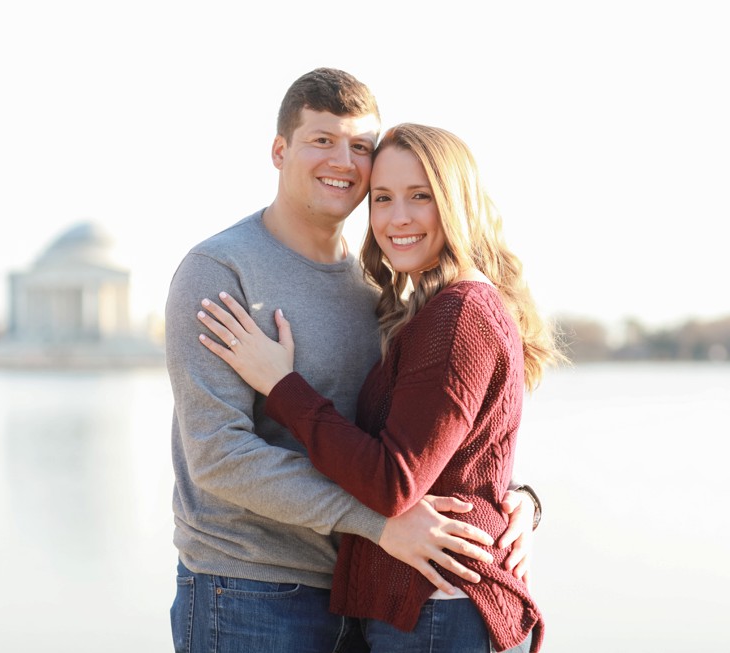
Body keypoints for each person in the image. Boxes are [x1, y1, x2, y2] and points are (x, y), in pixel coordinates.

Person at [166, 69, 541, 653]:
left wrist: (512, 499)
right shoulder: (221, 271)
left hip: (366, 592)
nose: (342, 161)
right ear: (279, 150)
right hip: (248, 589)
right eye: (322, 140)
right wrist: (381, 523)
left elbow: (425, 434)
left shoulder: (383, 285)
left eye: (360, 146)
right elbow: (218, 457)